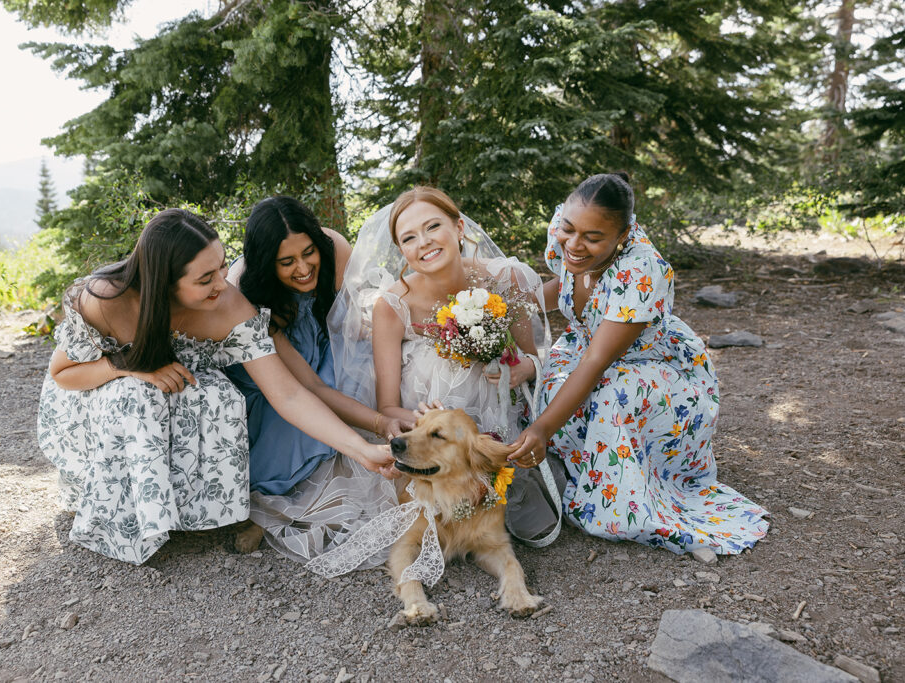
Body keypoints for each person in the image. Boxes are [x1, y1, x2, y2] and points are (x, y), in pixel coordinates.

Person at [37, 208, 393, 565]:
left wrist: (362, 449)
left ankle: (187, 512)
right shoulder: (107, 299)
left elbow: (289, 393)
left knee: (220, 397)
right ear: (164, 281)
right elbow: (63, 373)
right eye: (206, 278)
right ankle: (132, 518)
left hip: (179, 389)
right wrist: (126, 368)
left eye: (222, 266)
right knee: (138, 395)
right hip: (98, 393)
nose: (223, 282)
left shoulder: (229, 306)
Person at [509, 173, 769, 554]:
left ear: (623, 235)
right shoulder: (569, 230)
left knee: (607, 392)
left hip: (651, 370)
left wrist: (543, 430)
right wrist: (509, 304)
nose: (574, 244)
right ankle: (574, 469)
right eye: (568, 229)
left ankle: (627, 489)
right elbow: (566, 285)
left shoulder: (641, 270)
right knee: (548, 376)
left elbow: (598, 361)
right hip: (589, 348)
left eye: (593, 238)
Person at [330, 186, 559, 543]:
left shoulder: (506, 279)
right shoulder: (392, 305)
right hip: (432, 439)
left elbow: (534, 358)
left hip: (498, 425)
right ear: (402, 251)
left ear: (459, 228)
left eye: (432, 226)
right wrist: (416, 419)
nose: (423, 242)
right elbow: (387, 406)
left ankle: (491, 477)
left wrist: (520, 369)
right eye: (409, 238)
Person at [224, 196, 407, 562]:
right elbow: (307, 388)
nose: (304, 268)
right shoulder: (246, 290)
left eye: (308, 253)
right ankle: (267, 506)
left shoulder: (335, 247)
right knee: (306, 420)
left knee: (375, 367)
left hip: (321, 342)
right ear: (265, 263)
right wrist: (378, 421)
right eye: (286, 262)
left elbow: (345, 317)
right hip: (273, 371)